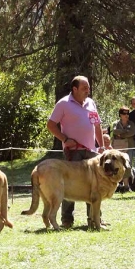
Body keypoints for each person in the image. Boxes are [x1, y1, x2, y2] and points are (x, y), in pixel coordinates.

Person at [47, 75, 105, 229]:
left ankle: (95, 219)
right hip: (73, 152)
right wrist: (64, 139)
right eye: (84, 88)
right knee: (69, 185)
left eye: (88, 88)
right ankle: (67, 220)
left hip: (92, 152)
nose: (88, 90)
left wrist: (102, 146)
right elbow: (51, 125)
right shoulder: (63, 104)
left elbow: (97, 126)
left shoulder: (91, 103)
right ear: (75, 89)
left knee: (95, 186)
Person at [112, 107, 135, 192]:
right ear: (120, 115)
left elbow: (132, 132)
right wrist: (125, 131)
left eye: (127, 114)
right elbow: (114, 131)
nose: (126, 115)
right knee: (116, 166)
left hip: (129, 147)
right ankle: (116, 186)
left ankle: (126, 186)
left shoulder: (131, 123)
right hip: (118, 148)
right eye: (124, 114)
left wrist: (121, 134)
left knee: (127, 166)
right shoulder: (115, 123)